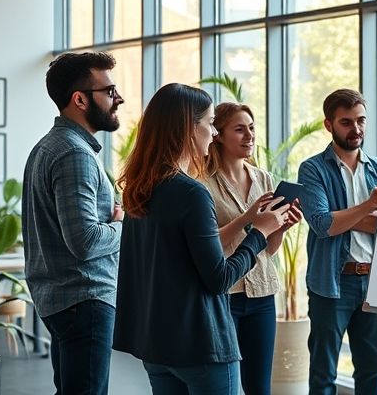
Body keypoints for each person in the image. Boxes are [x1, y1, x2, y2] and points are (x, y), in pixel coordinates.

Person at [112, 83, 289, 394]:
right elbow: (219, 278)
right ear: (188, 129)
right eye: (210, 124)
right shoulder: (192, 192)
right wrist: (259, 232)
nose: (214, 133)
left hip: (157, 344)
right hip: (200, 344)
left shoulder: (139, 189)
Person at [22, 51, 125, 395]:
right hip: (85, 299)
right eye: (109, 91)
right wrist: (126, 225)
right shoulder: (74, 154)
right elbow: (85, 241)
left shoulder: (48, 147)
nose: (118, 98)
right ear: (79, 99)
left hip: (64, 300)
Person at [204, 101, 304, 394]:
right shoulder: (202, 184)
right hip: (226, 294)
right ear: (218, 135)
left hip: (262, 292)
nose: (249, 136)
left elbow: (268, 249)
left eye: (251, 128)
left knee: (260, 387)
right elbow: (209, 244)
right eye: (239, 129)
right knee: (227, 385)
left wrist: (281, 226)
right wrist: (248, 218)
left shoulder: (264, 178)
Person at [298, 88, 377, 395]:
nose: (357, 129)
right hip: (331, 283)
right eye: (347, 122)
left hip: (372, 281)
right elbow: (322, 224)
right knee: (324, 373)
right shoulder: (313, 169)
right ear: (329, 125)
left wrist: (344, 219)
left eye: (361, 120)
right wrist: (368, 206)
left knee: (373, 368)